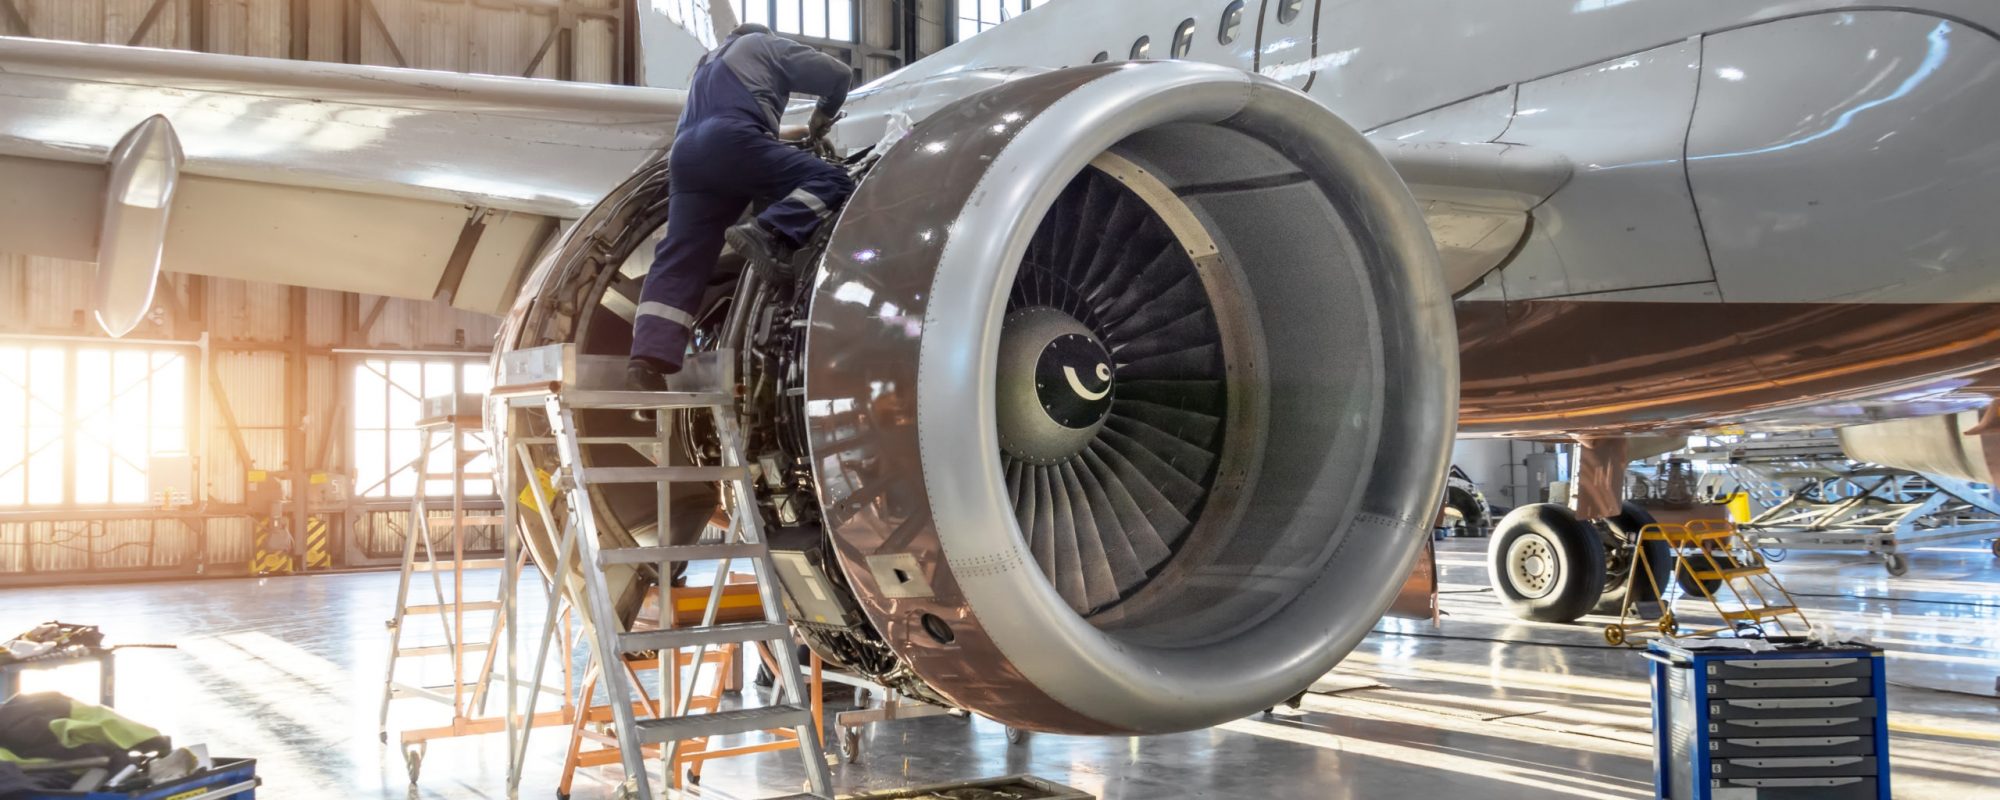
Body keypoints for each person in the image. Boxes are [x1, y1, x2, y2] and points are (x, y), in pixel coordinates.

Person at [628, 23, 854, 389]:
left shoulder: (708, 64)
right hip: (731, 141)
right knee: (832, 181)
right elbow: (838, 75)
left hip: (686, 157)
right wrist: (820, 119)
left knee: (682, 254)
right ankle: (770, 232)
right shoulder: (763, 45)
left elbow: (725, 116)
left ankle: (647, 357)